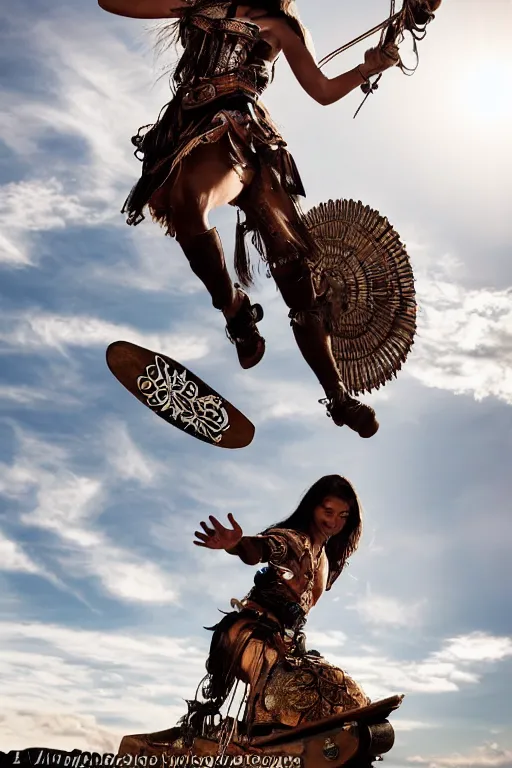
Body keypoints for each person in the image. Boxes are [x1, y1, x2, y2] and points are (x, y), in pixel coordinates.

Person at [97, 0, 399, 438]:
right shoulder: (197, 2)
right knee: (186, 206)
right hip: (188, 128)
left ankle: (337, 396)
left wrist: (368, 68)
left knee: (296, 276)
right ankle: (236, 312)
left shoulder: (280, 27)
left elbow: (322, 90)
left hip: (245, 135)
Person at [187, 474, 369, 740]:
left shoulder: (326, 561)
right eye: (328, 511)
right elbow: (263, 548)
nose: (333, 522)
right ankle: (257, 740)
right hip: (248, 634)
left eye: (343, 515)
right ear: (312, 507)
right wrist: (238, 545)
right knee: (275, 680)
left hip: (285, 645)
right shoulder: (294, 539)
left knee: (340, 689)